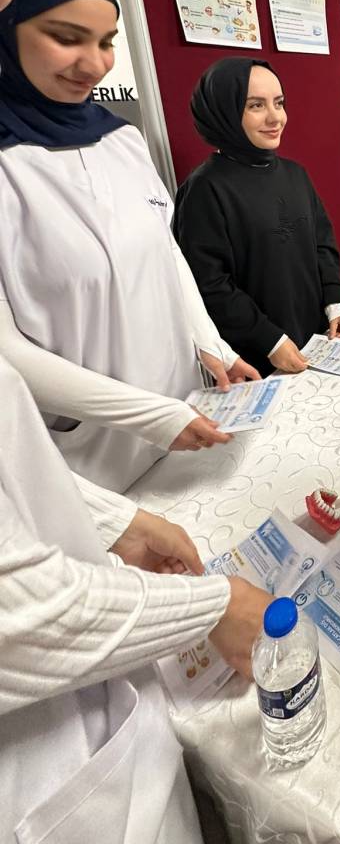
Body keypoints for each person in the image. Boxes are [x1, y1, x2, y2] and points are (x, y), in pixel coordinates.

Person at [0, 0, 259, 493]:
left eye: (106, 41)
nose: (95, 64)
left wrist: (211, 344)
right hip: (84, 453)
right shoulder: (8, 164)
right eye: (66, 37)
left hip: (181, 414)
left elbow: (165, 253)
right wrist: (150, 416)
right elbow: (5, 352)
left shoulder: (121, 139)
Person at [0, 355, 270, 843]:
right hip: (37, 762)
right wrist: (213, 608)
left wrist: (120, 525)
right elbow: (19, 618)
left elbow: (13, 456)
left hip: (100, 706)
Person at [174, 58, 340, 376]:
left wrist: (333, 301)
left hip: (315, 339)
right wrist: (269, 340)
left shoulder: (295, 174)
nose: (275, 117)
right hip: (255, 356)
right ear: (224, 112)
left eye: (279, 103)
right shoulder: (204, 189)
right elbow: (209, 284)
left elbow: (322, 243)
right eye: (256, 105)